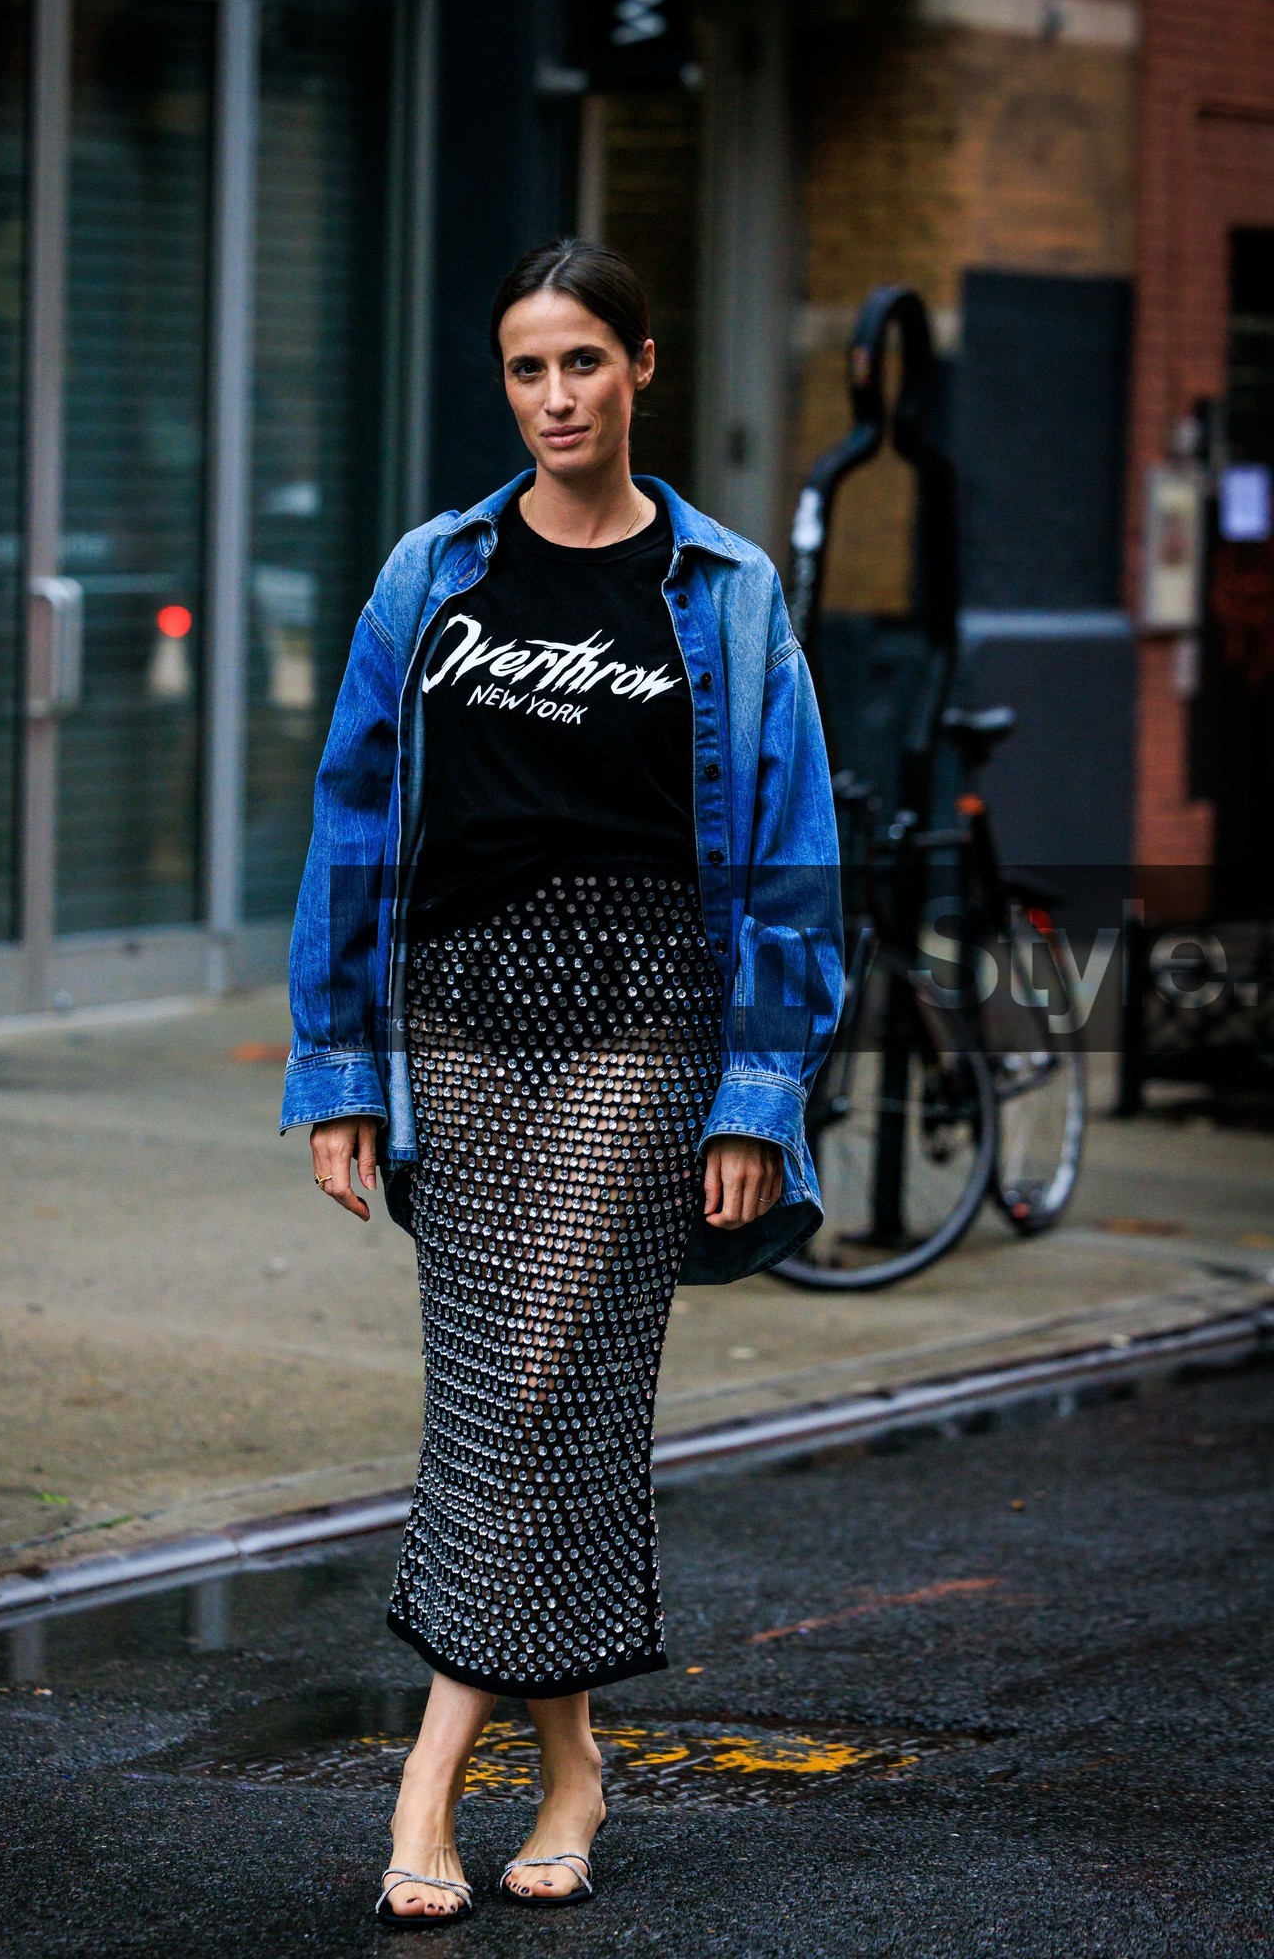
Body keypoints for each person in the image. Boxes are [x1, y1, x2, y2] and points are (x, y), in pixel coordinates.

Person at [280, 237, 841, 1926]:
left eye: (582, 364)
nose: (553, 399)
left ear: (642, 369)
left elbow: (798, 862)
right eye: (527, 369)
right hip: (461, 1017)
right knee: (521, 1398)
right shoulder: (429, 576)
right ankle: (577, 1761)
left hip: (638, 1020)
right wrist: (338, 1068)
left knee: (534, 1388)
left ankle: (429, 1776)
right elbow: (354, 823)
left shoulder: (726, 590)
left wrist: (757, 1091)